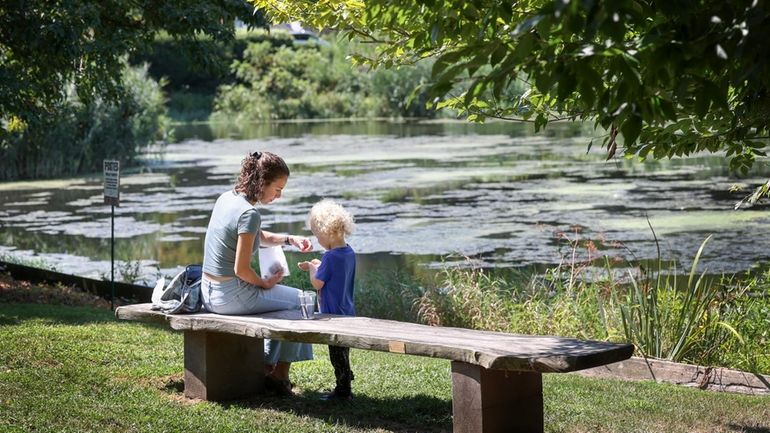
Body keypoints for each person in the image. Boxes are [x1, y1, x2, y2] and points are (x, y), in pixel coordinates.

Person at [201, 151, 314, 397]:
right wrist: (263, 283)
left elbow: (257, 237)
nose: (279, 196)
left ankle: (266, 363)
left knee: (288, 300)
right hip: (229, 296)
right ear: (262, 182)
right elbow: (241, 270)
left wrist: (288, 239)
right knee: (304, 301)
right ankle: (277, 373)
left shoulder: (226, 199)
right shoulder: (249, 213)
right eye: (278, 189)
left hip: (208, 291)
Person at [298, 199, 356, 401]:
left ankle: (343, 390)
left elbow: (317, 284)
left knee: (336, 354)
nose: (317, 239)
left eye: (316, 235)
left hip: (332, 313)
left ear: (325, 231)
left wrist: (312, 268)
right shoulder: (349, 252)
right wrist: (320, 264)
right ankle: (346, 379)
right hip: (347, 309)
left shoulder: (330, 257)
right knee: (343, 351)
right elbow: (335, 273)